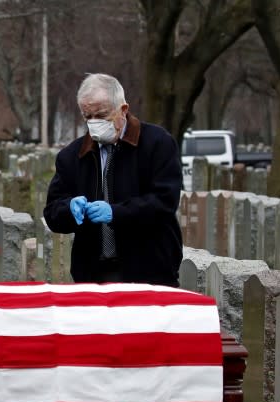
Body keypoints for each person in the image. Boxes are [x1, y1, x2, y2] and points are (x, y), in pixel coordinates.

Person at [43, 73, 183, 286]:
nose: (94, 123)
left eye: (102, 115)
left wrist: (116, 213)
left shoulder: (157, 144)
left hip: (149, 269)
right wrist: (68, 208)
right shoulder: (72, 156)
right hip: (93, 272)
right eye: (87, 117)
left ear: (123, 110)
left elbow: (165, 201)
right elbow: (52, 212)